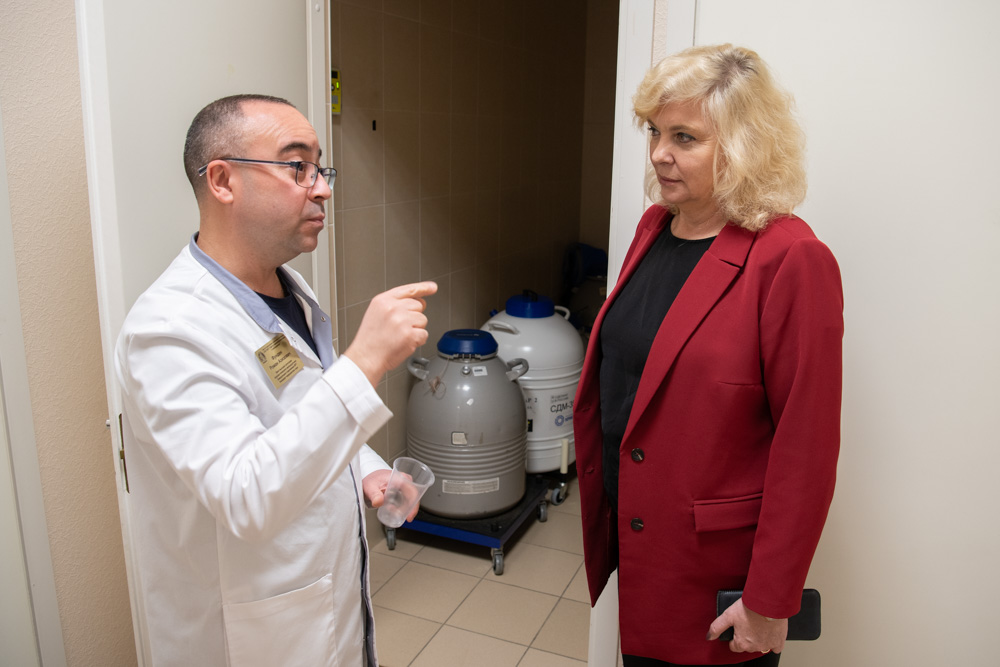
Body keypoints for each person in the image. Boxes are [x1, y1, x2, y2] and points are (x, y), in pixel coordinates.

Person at [115, 94, 437, 666]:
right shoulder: (168, 330)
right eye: (298, 167)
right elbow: (246, 494)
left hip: (326, 604)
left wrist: (365, 467)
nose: (322, 189)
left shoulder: (287, 288)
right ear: (223, 181)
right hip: (247, 636)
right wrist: (365, 361)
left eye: (320, 168)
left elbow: (299, 408)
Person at [573, 44, 843, 666]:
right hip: (641, 548)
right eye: (654, 131)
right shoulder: (654, 227)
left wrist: (770, 599)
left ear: (743, 146)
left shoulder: (790, 259)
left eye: (684, 137)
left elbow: (806, 447)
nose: (658, 153)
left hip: (717, 580)